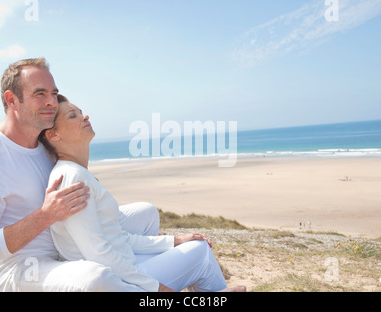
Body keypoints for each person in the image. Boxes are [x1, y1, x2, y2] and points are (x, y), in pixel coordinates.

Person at [0, 58, 163, 291]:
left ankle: (137, 277)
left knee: (147, 215)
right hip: (24, 267)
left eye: (54, 93)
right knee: (94, 279)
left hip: (67, 242)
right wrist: (45, 215)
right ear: (12, 100)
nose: (52, 102)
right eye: (40, 94)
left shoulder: (47, 144)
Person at [39, 96, 246, 292]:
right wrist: (157, 288)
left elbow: (119, 238)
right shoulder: (72, 178)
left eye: (81, 112)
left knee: (195, 245)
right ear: (54, 135)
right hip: (118, 281)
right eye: (73, 115)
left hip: (124, 265)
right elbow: (98, 254)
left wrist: (174, 240)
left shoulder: (77, 173)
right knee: (201, 253)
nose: (85, 116)